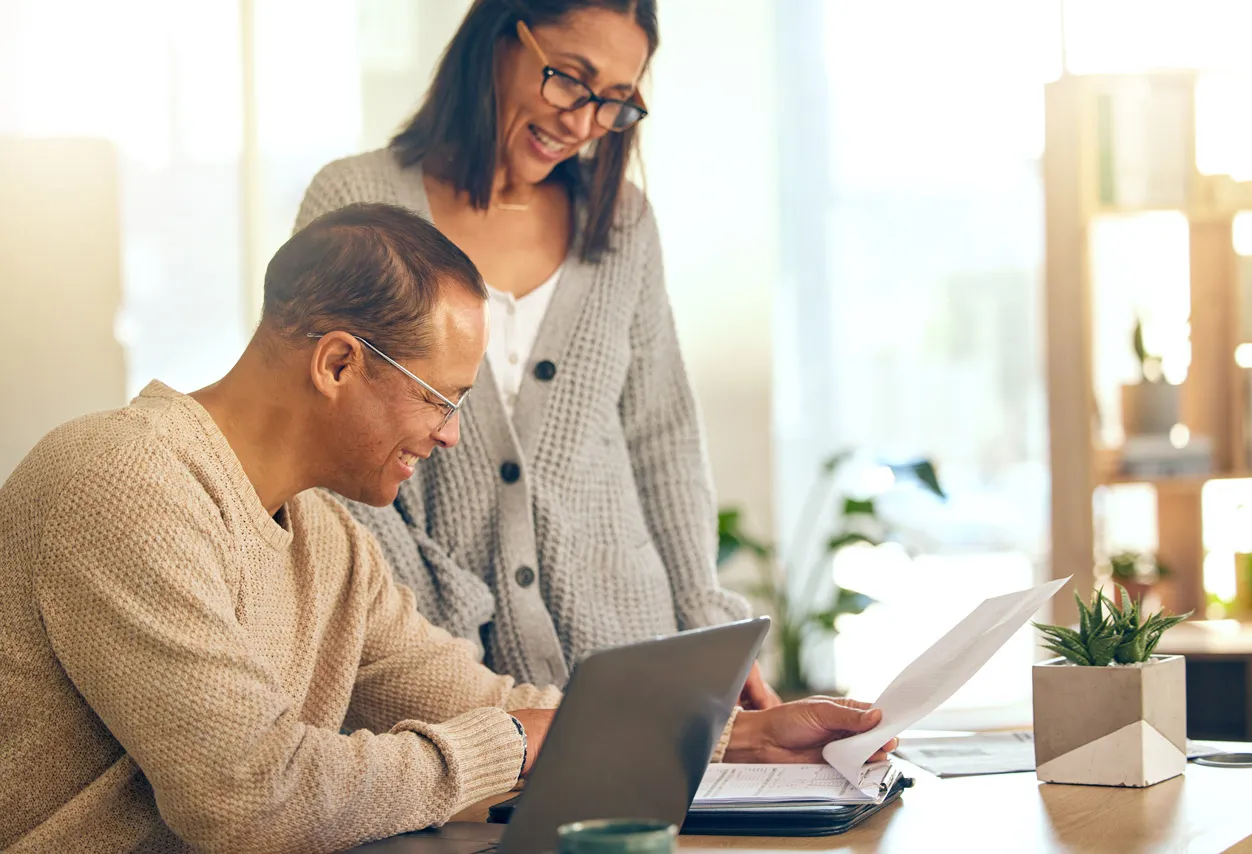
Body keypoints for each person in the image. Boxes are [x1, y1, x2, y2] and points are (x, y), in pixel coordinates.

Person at [0, 203, 895, 853]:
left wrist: (734, 739)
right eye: (441, 398)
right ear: (339, 362)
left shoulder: (327, 536)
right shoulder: (121, 483)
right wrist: (503, 747)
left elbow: (481, 705)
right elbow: (248, 796)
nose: (451, 434)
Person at [296, 0, 781, 708]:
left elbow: (662, 438)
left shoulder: (622, 222)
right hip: (439, 676)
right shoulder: (355, 201)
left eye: (614, 101)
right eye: (569, 79)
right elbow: (330, 447)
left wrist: (707, 626)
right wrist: (430, 631)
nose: (582, 122)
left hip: (631, 666)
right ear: (498, 39)